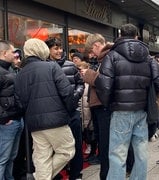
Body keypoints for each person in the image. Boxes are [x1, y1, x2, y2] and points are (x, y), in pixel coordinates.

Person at [94, 24, 159, 179]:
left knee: (118, 154)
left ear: (120, 35)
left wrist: (110, 103)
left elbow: (104, 85)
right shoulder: (148, 57)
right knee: (141, 153)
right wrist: (149, 96)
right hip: (142, 111)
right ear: (136, 36)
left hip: (120, 111)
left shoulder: (112, 56)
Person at [14, 38, 75, 180]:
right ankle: (39, 176)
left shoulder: (20, 74)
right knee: (67, 151)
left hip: (34, 123)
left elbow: (20, 103)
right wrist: (69, 112)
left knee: (42, 157)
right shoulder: (52, 67)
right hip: (56, 120)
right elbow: (67, 93)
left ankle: (41, 176)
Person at [45, 37, 84, 180]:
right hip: (54, 114)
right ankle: (55, 175)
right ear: (48, 50)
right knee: (55, 147)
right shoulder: (44, 66)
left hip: (72, 112)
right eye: (56, 48)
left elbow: (80, 83)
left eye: (61, 48)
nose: (59, 51)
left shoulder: (70, 65)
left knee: (76, 144)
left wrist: (75, 96)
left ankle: (76, 174)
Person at [82, 33, 113, 179]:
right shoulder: (107, 57)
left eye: (91, 51)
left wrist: (88, 74)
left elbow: (105, 83)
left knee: (106, 144)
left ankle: (106, 175)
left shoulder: (108, 58)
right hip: (104, 106)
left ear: (96, 45)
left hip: (105, 106)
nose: (92, 54)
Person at [0, 40, 24, 180]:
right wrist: (3, 118)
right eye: (12, 51)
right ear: (4, 53)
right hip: (7, 123)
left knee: (10, 158)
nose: (15, 54)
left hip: (15, 120)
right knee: (3, 159)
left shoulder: (9, 69)